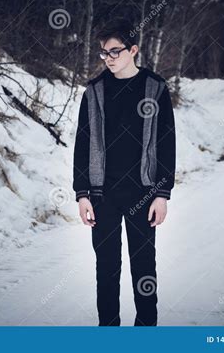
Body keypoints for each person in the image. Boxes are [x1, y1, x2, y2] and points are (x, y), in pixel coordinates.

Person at [72, 18, 176, 326]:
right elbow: (81, 143)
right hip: (103, 194)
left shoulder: (155, 88)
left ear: (133, 50)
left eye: (115, 51)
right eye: (104, 52)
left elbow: (166, 142)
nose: (109, 58)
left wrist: (162, 193)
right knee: (106, 269)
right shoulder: (94, 92)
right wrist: (82, 194)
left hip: (143, 193)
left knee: (144, 268)